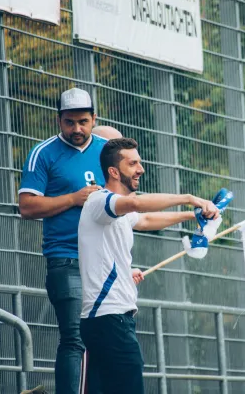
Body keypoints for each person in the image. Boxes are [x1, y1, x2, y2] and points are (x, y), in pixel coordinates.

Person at [78, 138, 219, 393]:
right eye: (132, 163)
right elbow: (136, 204)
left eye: (139, 162)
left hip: (110, 319)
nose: (140, 168)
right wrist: (190, 199)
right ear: (113, 171)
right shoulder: (101, 201)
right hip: (109, 319)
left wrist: (193, 216)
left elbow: (145, 218)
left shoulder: (116, 210)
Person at [18, 87, 106, 394]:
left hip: (106, 261)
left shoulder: (109, 151)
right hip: (65, 258)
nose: (77, 129)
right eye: (69, 122)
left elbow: (130, 201)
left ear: (94, 119)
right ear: (59, 120)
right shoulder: (43, 153)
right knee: (75, 337)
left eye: (83, 121)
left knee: (107, 338)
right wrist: (73, 198)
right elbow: (27, 206)